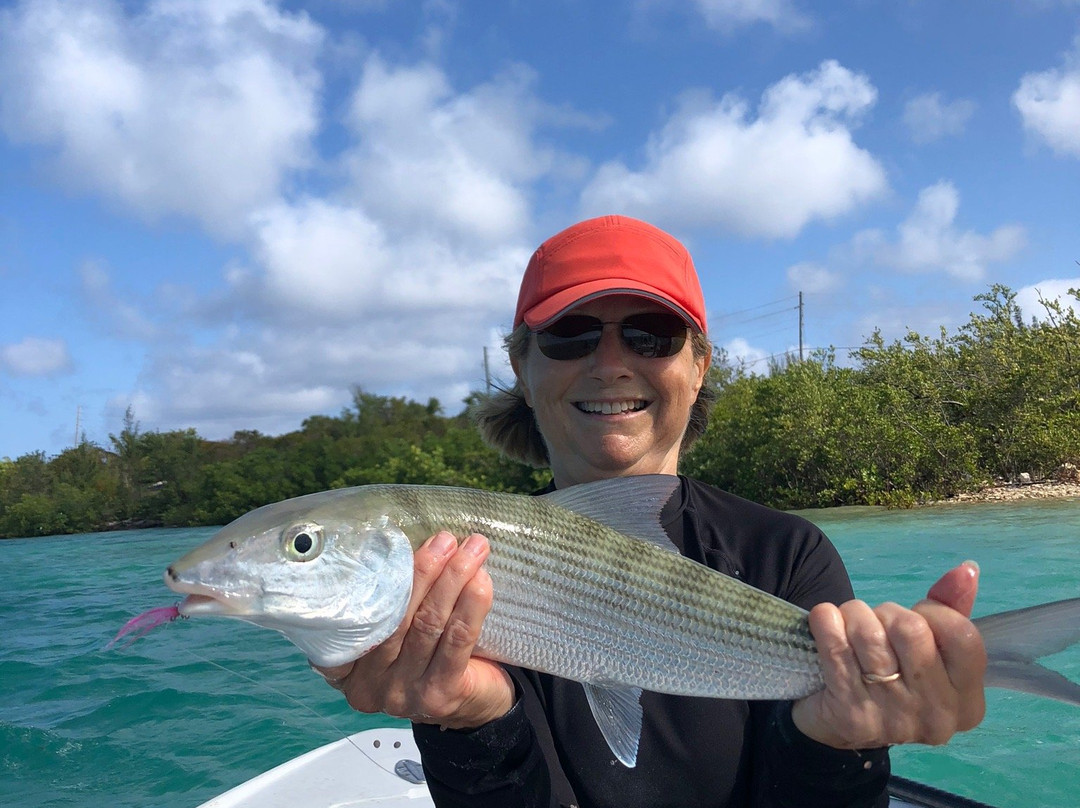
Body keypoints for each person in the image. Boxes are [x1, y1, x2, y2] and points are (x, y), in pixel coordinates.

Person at [314, 215, 987, 807]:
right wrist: (470, 723)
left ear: (699, 367)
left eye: (652, 333)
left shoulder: (788, 555)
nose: (610, 362)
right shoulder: (462, 579)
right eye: (570, 334)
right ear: (522, 367)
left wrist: (843, 743)